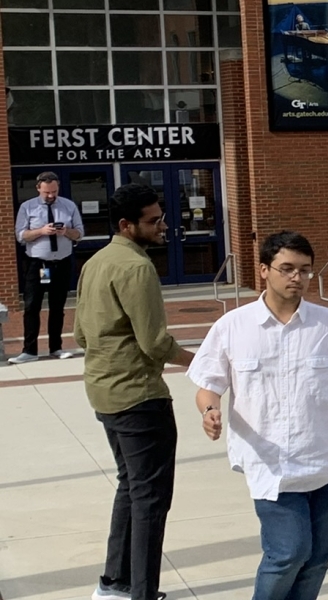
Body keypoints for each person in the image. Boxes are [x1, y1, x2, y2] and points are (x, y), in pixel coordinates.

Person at [189, 232, 328, 600]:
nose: (297, 277)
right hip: (272, 469)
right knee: (288, 553)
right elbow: (208, 384)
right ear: (264, 270)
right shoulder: (233, 327)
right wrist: (210, 410)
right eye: (287, 269)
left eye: (305, 270)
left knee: (318, 560)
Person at [75, 183, 196, 600]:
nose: (163, 226)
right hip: (139, 396)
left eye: (161, 217)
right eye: (153, 221)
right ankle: (141, 592)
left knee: (131, 487)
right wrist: (203, 360)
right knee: (151, 499)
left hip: (104, 392)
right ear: (127, 225)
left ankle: (115, 583)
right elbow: (155, 342)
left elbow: (78, 334)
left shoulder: (95, 262)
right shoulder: (137, 267)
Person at [12, 171, 85, 364]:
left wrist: (66, 231)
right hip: (37, 263)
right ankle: (29, 350)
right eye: (47, 192)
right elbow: (20, 235)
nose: (51, 196)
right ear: (38, 188)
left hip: (61, 263)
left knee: (57, 307)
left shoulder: (68, 206)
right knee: (32, 306)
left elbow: (80, 233)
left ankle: (56, 348)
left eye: (54, 191)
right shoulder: (27, 207)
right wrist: (41, 231)